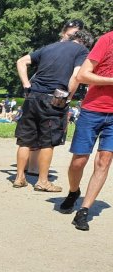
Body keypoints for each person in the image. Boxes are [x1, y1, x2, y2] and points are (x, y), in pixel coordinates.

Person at [12, 29, 92, 191]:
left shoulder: (49, 47)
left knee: (25, 139)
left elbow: (21, 61)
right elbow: (76, 76)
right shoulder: (82, 51)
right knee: (48, 141)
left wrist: (27, 85)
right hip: (53, 98)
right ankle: (43, 181)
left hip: (33, 96)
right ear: (85, 43)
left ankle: (19, 177)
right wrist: (68, 98)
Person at [64, 29, 113, 230]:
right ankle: (74, 191)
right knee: (79, 160)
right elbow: (83, 75)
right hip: (93, 110)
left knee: (104, 160)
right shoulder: (107, 40)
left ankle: (83, 211)